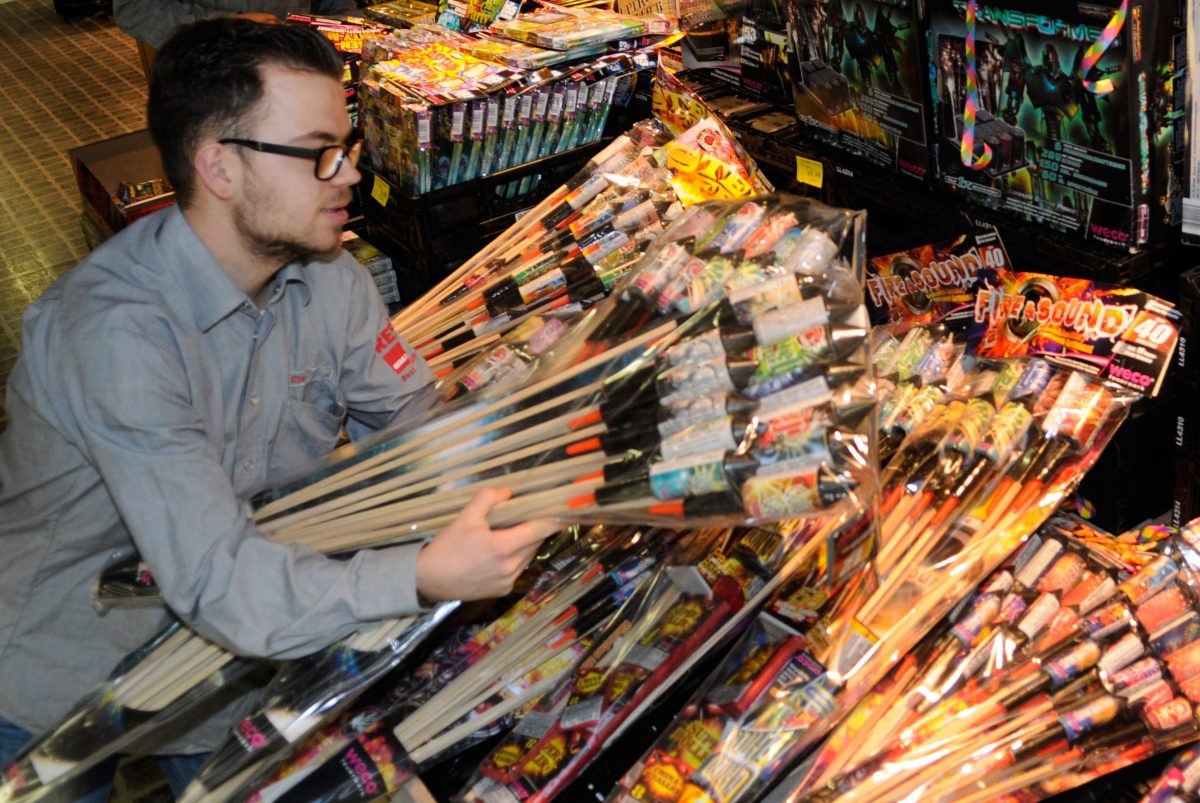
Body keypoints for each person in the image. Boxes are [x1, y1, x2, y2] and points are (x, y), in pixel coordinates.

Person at [0, 17, 558, 800]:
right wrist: (422, 574)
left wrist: (535, 412)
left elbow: (411, 427)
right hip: (55, 674)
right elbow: (220, 579)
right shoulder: (115, 331)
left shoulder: (332, 280)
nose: (350, 176)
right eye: (319, 153)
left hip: (236, 666)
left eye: (350, 148)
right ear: (220, 167)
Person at [113, 0, 359, 78]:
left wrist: (354, 31)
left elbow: (336, 4)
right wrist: (230, 26)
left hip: (298, 72)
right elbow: (135, 8)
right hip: (211, 76)